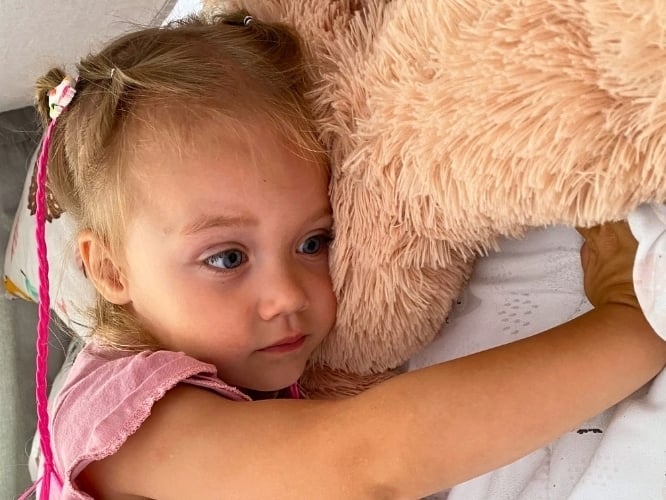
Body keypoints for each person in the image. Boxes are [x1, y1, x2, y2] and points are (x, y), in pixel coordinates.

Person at [33, 12, 666, 499]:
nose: (289, 294)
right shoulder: (116, 415)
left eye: (313, 243)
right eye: (226, 258)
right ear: (110, 269)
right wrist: (630, 322)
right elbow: (364, 466)